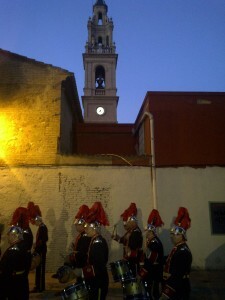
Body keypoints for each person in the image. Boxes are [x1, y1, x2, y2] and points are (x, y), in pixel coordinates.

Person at [53, 204, 91, 284]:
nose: (76, 227)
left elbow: (82, 253)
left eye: (77, 225)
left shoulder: (85, 236)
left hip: (83, 265)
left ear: (83, 225)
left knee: (83, 284)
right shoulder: (81, 235)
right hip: (79, 264)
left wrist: (72, 255)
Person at [160, 207, 192, 300]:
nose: (173, 237)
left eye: (177, 234)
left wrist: (166, 293)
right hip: (175, 287)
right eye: (173, 234)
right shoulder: (178, 248)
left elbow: (177, 276)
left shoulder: (183, 252)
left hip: (179, 289)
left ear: (183, 236)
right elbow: (171, 259)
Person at [80, 201, 109, 300]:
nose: (85, 230)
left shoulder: (98, 243)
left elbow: (99, 265)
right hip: (95, 280)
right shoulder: (94, 240)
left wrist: (83, 272)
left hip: (99, 281)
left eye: (87, 228)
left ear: (93, 229)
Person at [138, 209, 164, 300]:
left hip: (154, 272)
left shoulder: (155, 243)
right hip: (152, 271)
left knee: (153, 293)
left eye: (147, 232)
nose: (146, 234)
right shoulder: (152, 242)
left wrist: (142, 272)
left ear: (151, 232)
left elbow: (151, 259)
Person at [112, 202, 143, 278]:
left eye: (127, 223)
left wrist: (127, 247)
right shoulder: (130, 232)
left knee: (133, 277)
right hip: (128, 258)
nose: (125, 225)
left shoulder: (136, 232)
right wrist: (116, 237)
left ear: (133, 222)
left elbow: (133, 245)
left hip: (134, 260)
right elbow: (123, 240)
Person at [0, 225, 30, 300]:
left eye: (9, 235)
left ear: (14, 236)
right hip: (22, 281)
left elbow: (6, 270)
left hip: (13, 283)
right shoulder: (24, 246)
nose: (8, 237)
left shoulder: (13, 250)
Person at [10, 206, 34, 298]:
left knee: (21, 284)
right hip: (24, 259)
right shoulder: (24, 230)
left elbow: (21, 250)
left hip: (23, 261)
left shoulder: (25, 233)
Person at [28, 201, 48, 293]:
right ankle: (39, 286)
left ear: (38, 220)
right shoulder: (42, 227)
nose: (34, 223)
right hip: (41, 250)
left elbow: (44, 239)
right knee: (39, 269)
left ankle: (39, 287)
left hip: (41, 250)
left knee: (40, 269)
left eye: (35, 221)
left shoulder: (43, 227)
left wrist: (36, 244)